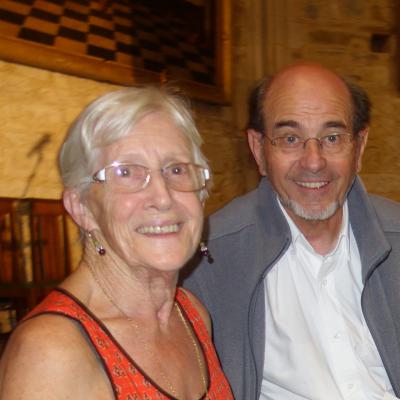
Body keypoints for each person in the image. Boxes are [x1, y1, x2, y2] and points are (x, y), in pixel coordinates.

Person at [0, 86, 233, 400]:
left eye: (176, 169)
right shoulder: (51, 352)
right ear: (81, 208)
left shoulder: (190, 314)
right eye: (126, 172)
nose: (163, 197)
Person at [184, 63, 400, 399]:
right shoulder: (209, 262)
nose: (313, 161)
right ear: (258, 149)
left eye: (332, 138)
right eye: (290, 139)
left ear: (359, 148)